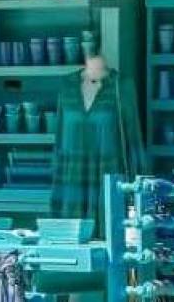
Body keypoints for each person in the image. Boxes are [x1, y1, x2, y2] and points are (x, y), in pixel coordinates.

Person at [51, 53, 145, 225]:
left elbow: (133, 140)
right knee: (71, 235)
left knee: (109, 231)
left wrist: (139, 186)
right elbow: (60, 141)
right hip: (72, 183)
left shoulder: (122, 85)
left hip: (108, 179)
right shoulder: (67, 85)